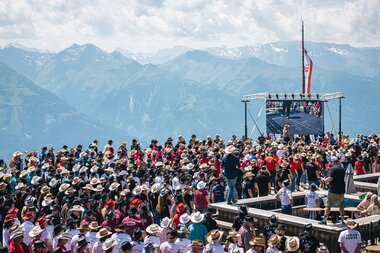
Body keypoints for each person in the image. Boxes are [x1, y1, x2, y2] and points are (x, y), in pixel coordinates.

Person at [320, 157, 346, 224]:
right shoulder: (342, 169)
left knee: (328, 206)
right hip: (341, 190)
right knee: (341, 205)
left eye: (331, 162)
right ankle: (343, 219)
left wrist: (323, 180)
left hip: (333, 190)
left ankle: (324, 220)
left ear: (333, 162)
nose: (330, 163)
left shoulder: (332, 169)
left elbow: (330, 178)